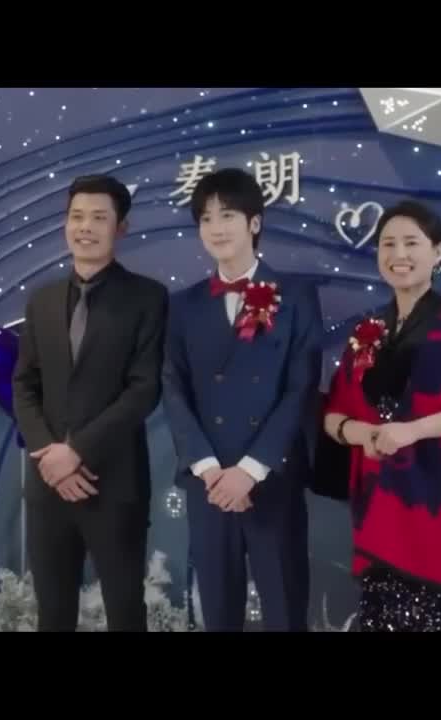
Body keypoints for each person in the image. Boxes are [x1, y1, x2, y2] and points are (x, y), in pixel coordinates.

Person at [322, 199, 441, 632]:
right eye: (388, 244)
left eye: (412, 243)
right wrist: (357, 432)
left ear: (438, 251)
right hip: (378, 513)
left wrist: (413, 431)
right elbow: (333, 413)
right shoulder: (367, 331)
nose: (399, 254)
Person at [162, 168, 322, 631]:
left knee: (285, 610)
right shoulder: (182, 305)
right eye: (206, 218)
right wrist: (209, 469)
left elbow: (301, 388)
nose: (216, 227)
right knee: (218, 612)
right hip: (209, 484)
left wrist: (250, 470)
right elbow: (172, 387)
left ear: (254, 222)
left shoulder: (295, 296)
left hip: (272, 477)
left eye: (227, 214)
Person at [12, 174, 169, 632]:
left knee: (126, 613)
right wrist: (50, 456)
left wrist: (76, 451)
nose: (85, 227)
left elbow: (144, 389)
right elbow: (24, 385)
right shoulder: (41, 301)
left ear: (121, 227)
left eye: (99, 218)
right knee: (53, 615)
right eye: (77, 216)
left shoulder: (147, 297)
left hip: (114, 483)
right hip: (48, 486)